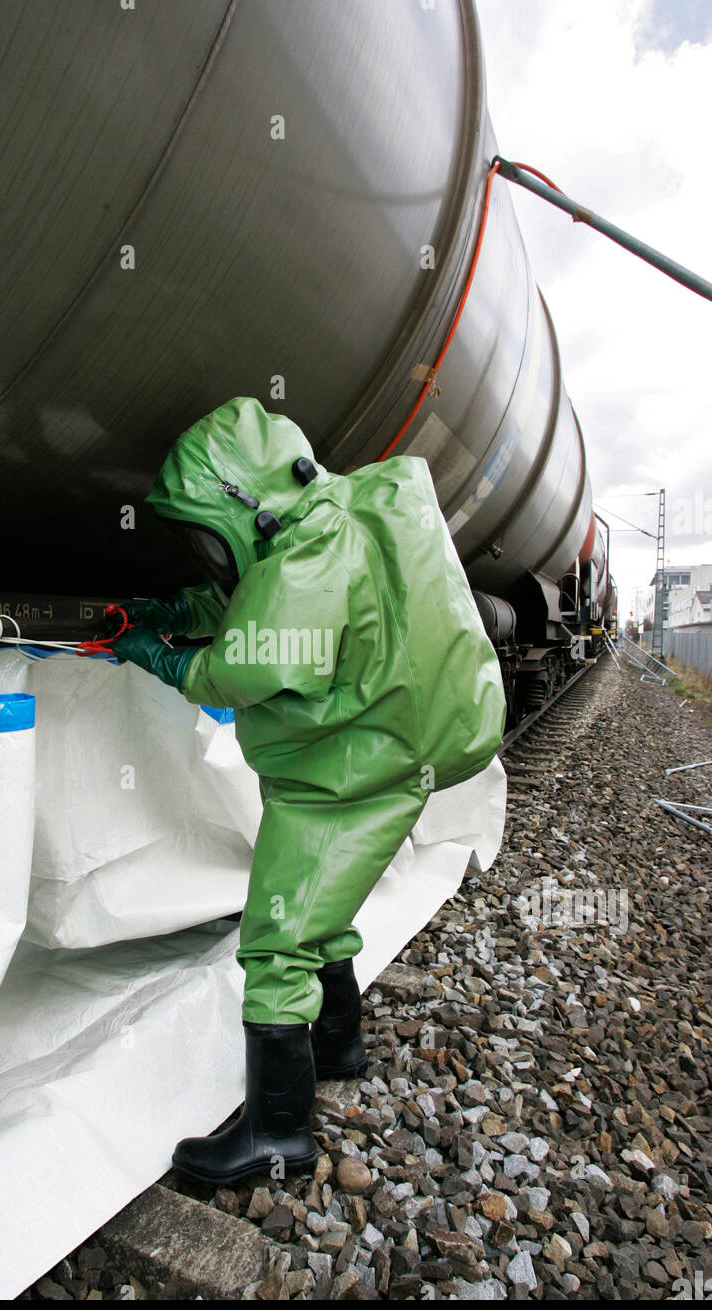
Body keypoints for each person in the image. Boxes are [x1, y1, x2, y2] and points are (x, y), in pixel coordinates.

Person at [110, 396, 506, 1185]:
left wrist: (165, 657)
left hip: (340, 781)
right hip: (368, 758)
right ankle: (338, 1045)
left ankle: (277, 1136)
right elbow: (247, 600)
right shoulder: (322, 527)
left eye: (202, 533)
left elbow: (242, 664)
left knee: (278, 937)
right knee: (321, 916)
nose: (203, 554)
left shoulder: (308, 559)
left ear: (243, 504)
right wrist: (177, 610)